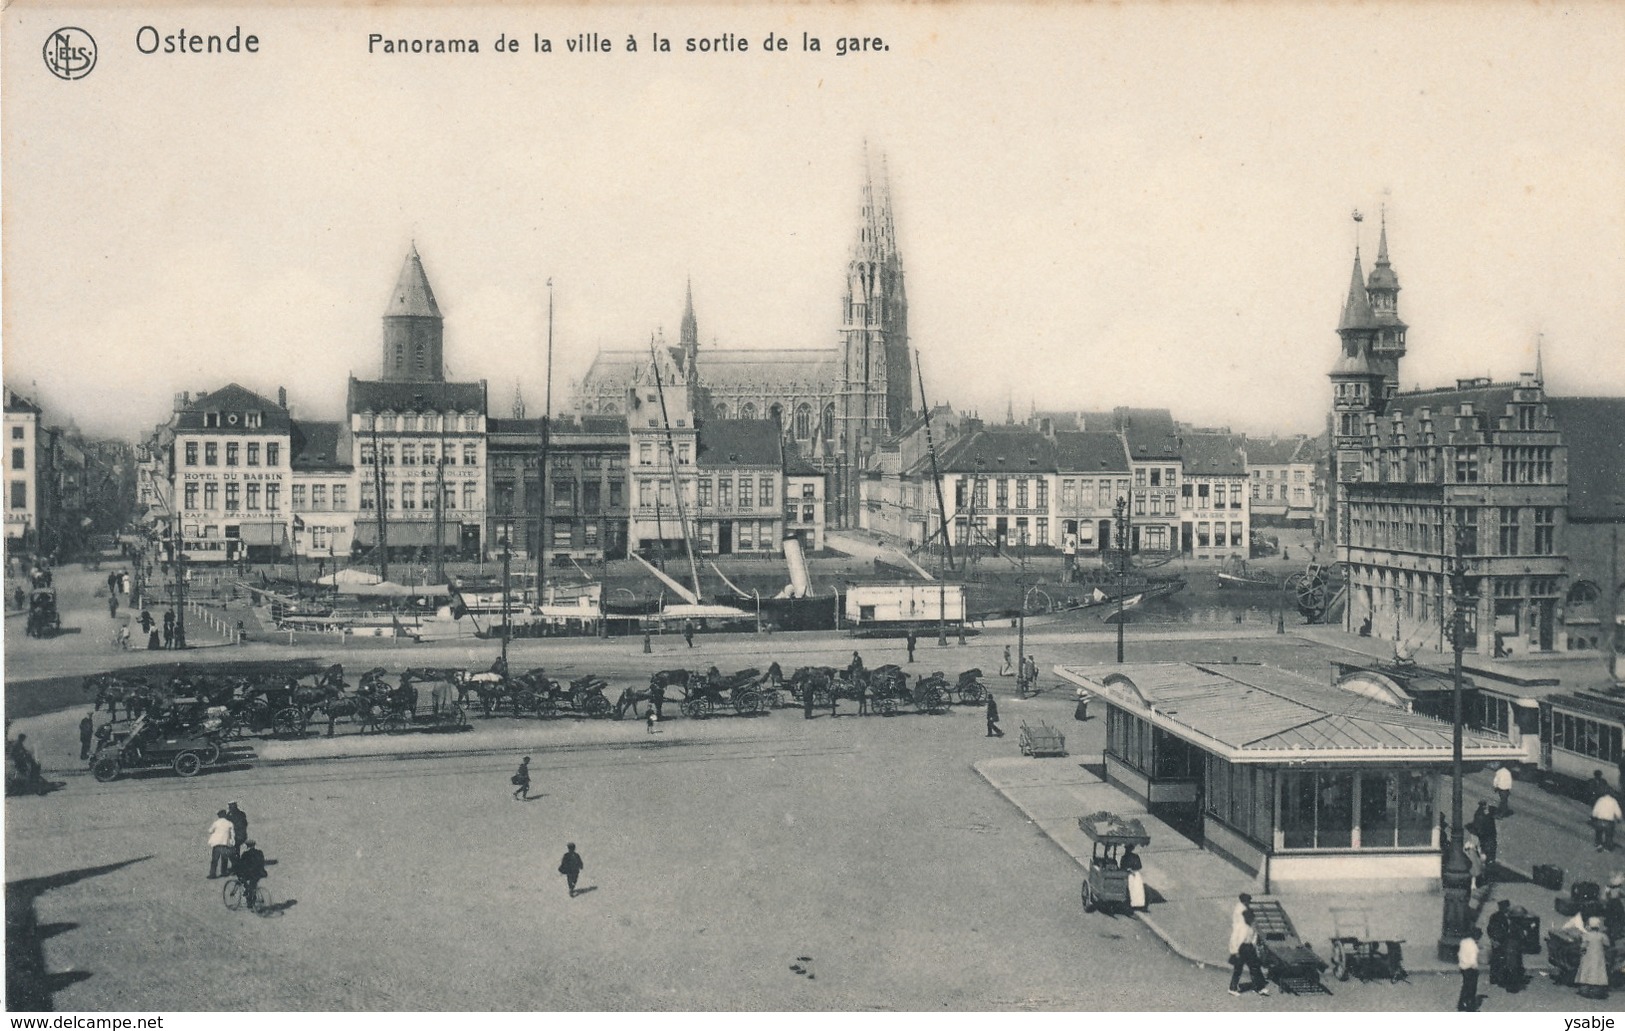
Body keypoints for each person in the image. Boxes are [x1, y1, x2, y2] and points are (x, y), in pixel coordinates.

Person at [1227, 909, 1269, 997]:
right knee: (1238, 969)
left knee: (1255, 967)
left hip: (1249, 948)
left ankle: (1259, 987)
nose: (1251, 920)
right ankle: (1232, 988)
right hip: (1241, 948)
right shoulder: (1240, 927)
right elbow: (1234, 940)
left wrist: (1254, 947)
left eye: (1252, 918)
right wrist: (1235, 951)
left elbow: (1254, 937)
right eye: (1249, 918)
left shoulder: (1252, 927)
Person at [1487, 899, 1521, 990]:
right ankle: (1494, 978)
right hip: (1498, 941)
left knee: (1505, 960)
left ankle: (1502, 978)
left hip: (1507, 941)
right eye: (1504, 907)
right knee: (1496, 960)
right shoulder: (1495, 917)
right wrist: (1493, 940)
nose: (1506, 908)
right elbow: (1490, 929)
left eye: (1507, 907)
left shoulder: (1510, 916)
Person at [1576, 916, 1611, 1001]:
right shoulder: (1602, 936)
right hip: (1598, 955)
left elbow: (1583, 946)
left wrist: (1581, 952)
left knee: (1587, 969)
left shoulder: (1586, 935)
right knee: (1597, 970)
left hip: (1588, 956)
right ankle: (1596, 989)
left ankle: (1585, 988)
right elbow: (1607, 944)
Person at [234, 839, 267, 909]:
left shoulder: (245, 854)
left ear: (247, 846)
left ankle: (250, 901)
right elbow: (262, 862)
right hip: (259, 873)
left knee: (243, 879)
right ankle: (250, 895)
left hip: (250, 874)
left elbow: (241, 864)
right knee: (253, 885)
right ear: (254, 845)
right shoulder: (259, 852)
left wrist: (237, 871)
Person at [1456, 926, 1482, 1011]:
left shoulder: (1464, 942)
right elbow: (1473, 960)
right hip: (1471, 968)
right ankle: (1470, 1007)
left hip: (1463, 967)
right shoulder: (1473, 945)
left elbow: (1460, 954)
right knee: (1471, 988)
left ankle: (1461, 1005)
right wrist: (1476, 968)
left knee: (1465, 987)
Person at [1469, 800, 1498, 867]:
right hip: (1488, 835)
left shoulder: (1478, 814)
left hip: (1485, 836)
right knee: (1490, 848)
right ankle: (1489, 862)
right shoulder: (1485, 814)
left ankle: (1487, 862)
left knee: (1486, 848)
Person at [207, 809, 235, 878]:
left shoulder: (216, 823)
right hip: (225, 843)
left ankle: (212, 874)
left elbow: (210, 831)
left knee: (215, 860)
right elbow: (232, 834)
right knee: (224, 858)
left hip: (216, 844)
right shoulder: (229, 823)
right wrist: (232, 841)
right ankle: (224, 872)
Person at [1121, 843, 1145, 911]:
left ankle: (1139, 903)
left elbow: (1140, 866)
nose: (1127, 850)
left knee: (1138, 886)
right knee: (1131, 886)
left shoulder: (1136, 856)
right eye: (1127, 849)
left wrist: (1134, 870)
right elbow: (1122, 867)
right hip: (1128, 874)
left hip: (1135, 873)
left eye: (1129, 849)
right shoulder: (1124, 857)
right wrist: (1129, 870)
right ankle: (1133, 903)